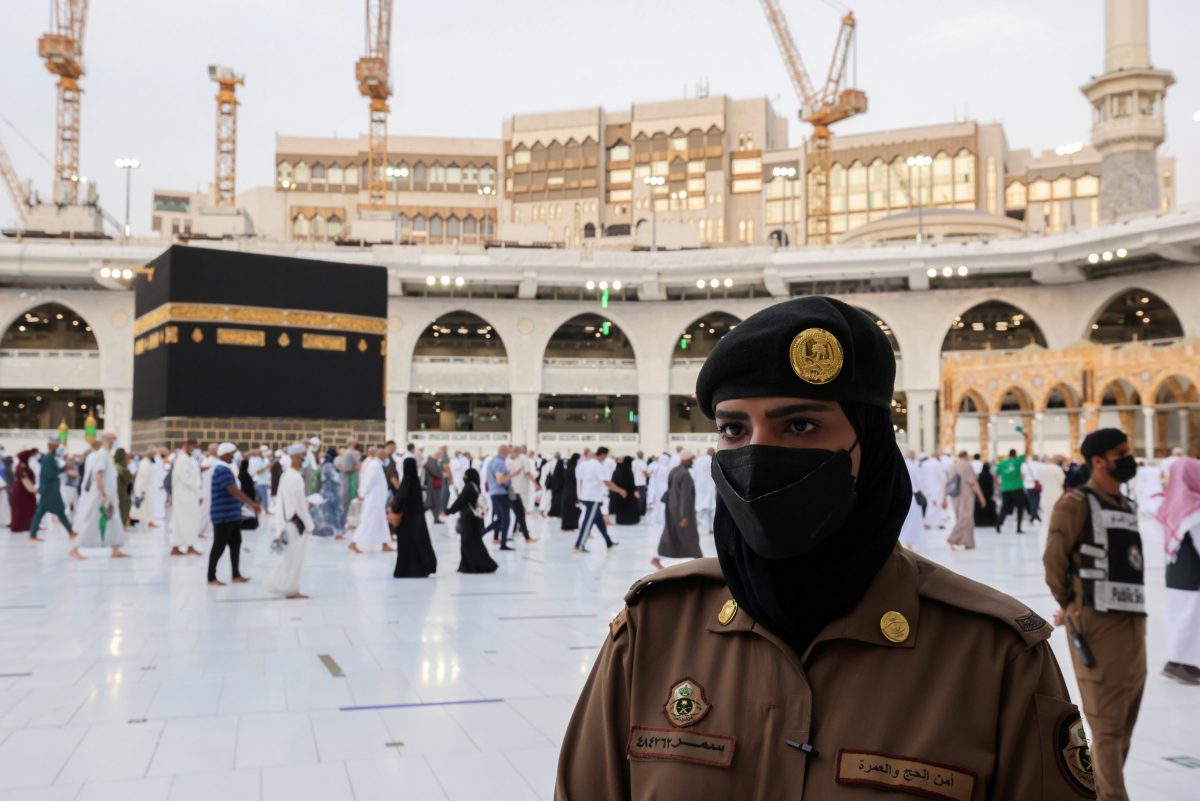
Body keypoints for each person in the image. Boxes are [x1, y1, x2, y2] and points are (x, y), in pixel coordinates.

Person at [558, 296, 1092, 799]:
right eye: (733, 429)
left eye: (801, 425)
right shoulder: (654, 632)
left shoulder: (990, 657)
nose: (758, 453)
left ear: (872, 445)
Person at [1044, 428, 1144, 801]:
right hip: (1096, 625)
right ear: (1098, 461)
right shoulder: (1075, 505)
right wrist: (1072, 606)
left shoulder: (1125, 505)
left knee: (1124, 725)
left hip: (1133, 623)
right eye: (1121, 452)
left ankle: (1102, 792)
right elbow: (1054, 562)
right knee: (1104, 727)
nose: (1128, 457)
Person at [1156, 457, 1200, 684]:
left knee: (1180, 619)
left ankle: (1180, 662)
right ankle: (1180, 664)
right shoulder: (1193, 506)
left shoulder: (1172, 501)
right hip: (1192, 576)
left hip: (1176, 574)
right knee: (1190, 620)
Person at [207, 443, 261, 586]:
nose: (233, 457)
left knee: (235, 544)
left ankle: (236, 574)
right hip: (222, 515)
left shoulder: (226, 469)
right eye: (232, 454)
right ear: (225, 454)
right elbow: (233, 491)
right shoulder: (221, 470)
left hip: (232, 514)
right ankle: (211, 577)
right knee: (219, 546)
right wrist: (252, 504)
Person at [266, 444, 315, 599]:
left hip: (288, 521)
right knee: (294, 558)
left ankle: (279, 584)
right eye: (302, 456)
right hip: (295, 522)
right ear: (295, 457)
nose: (304, 459)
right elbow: (299, 505)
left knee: (290, 557)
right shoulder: (294, 476)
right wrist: (309, 523)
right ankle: (290, 590)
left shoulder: (287, 474)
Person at [70, 432, 129, 560]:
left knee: (114, 522)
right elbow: (98, 475)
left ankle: (115, 549)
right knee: (92, 522)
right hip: (101, 497)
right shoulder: (102, 455)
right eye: (113, 440)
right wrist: (102, 493)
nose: (114, 443)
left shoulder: (107, 455)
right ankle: (75, 548)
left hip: (110, 497)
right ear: (107, 440)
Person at [651, 449, 701, 570]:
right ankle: (699, 560)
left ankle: (656, 558)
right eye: (691, 459)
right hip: (683, 510)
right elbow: (685, 496)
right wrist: (684, 515)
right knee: (691, 535)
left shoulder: (674, 471)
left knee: (670, 533)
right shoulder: (685, 474)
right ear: (686, 459)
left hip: (672, 507)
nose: (692, 461)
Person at [392, 457, 437, 577]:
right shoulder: (415, 480)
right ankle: (421, 567)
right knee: (417, 543)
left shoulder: (406, 480)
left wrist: (394, 508)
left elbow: (402, 498)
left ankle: (408, 570)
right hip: (417, 517)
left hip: (407, 519)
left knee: (407, 545)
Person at [447, 467, 497, 574]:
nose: (464, 478)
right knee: (473, 542)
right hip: (474, 519)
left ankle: (476, 565)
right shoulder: (475, 486)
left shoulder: (469, 487)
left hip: (469, 519)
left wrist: (449, 511)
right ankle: (467, 565)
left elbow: (461, 500)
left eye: (466, 475)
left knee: (468, 542)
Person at [574, 446, 623, 552]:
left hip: (587, 496)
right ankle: (579, 545)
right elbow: (606, 482)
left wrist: (580, 495)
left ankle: (608, 542)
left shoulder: (586, 464)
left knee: (599, 522)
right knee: (588, 523)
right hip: (593, 498)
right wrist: (620, 491)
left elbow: (580, 480)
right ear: (603, 455)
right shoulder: (597, 465)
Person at [27, 438, 76, 543]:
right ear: (51, 445)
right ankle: (32, 535)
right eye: (56, 445)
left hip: (50, 490)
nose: (58, 447)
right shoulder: (48, 458)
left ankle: (70, 532)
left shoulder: (49, 458)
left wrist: (63, 468)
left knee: (59, 511)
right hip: (49, 491)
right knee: (43, 512)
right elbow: (50, 475)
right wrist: (64, 468)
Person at [351, 446, 393, 553]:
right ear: (382, 455)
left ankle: (384, 544)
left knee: (381, 522)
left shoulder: (377, 465)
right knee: (367, 522)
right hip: (373, 501)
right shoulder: (374, 466)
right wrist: (362, 494)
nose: (387, 457)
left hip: (378, 501)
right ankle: (354, 543)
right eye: (386, 455)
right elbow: (368, 481)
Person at [945, 450, 986, 550]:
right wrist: (981, 497)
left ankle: (968, 542)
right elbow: (973, 482)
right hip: (966, 495)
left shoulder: (951, 466)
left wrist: (944, 498)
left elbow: (946, 483)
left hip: (955, 496)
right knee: (966, 518)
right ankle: (952, 538)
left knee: (965, 519)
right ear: (966, 456)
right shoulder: (967, 465)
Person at [170, 439, 204, 556]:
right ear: (187, 446)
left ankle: (176, 547)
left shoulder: (189, 459)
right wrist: (198, 485)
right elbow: (186, 477)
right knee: (187, 521)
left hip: (189, 495)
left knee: (183, 522)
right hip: (184, 496)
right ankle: (190, 547)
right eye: (195, 447)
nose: (197, 449)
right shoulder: (183, 459)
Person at [484, 445, 514, 549]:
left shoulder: (492, 461)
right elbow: (500, 480)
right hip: (500, 494)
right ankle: (503, 544)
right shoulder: (500, 463)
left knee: (499, 519)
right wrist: (510, 476)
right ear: (505, 452)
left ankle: (481, 533)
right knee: (506, 519)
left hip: (494, 493)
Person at [315, 448, 347, 539]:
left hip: (327, 493)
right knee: (336, 513)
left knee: (329, 513)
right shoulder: (329, 466)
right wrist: (341, 471)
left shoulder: (325, 465)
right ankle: (337, 533)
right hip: (332, 494)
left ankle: (332, 532)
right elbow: (336, 479)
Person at [995, 448, 1028, 533]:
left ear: (1009, 455)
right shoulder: (1017, 461)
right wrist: (1027, 439)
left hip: (1005, 488)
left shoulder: (1002, 463)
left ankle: (998, 524)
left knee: (1004, 508)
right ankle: (1018, 528)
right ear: (1015, 454)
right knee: (1020, 508)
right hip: (1017, 488)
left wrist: (997, 486)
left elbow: (996, 475)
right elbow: (1026, 452)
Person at [898, 449, 923, 549]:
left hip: (902, 494)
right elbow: (918, 482)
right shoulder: (914, 466)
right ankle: (909, 542)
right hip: (913, 495)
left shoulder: (901, 465)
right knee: (913, 519)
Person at [9, 449, 37, 535]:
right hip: (22, 492)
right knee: (20, 509)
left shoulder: (24, 465)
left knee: (26, 509)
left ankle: (27, 525)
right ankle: (19, 526)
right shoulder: (22, 466)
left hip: (24, 492)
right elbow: (24, 479)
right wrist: (33, 490)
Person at [129, 446, 158, 528]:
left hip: (147, 488)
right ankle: (129, 518)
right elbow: (143, 477)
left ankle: (150, 521)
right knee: (139, 506)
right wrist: (142, 489)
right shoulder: (145, 463)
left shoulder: (148, 463)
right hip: (143, 489)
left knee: (148, 507)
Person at [609, 456, 640, 525]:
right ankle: (629, 520)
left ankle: (620, 520)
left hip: (619, 493)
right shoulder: (629, 471)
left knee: (620, 507)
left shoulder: (617, 471)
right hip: (628, 493)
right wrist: (634, 490)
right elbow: (631, 483)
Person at [692, 448, 716, 534]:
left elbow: (693, 472)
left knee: (700, 505)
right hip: (709, 486)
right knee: (711, 508)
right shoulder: (712, 460)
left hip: (699, 486)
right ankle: (710, 529)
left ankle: (695, 526)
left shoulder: (698, 460)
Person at [918, 452, 945, 529]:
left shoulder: (924, 464)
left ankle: (940, 523)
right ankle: (927, 522)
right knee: (935, 505)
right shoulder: (938, 464)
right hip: (937, 488)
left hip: (926, 488)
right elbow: (942, 477)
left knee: (933, 505)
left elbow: (921, 476)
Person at [560, 454, 581, 531]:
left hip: (567, 490)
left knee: (568, 509)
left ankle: (568, 526)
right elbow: (575, 479)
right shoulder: (573, 468)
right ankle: (570, 526)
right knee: (572, 508)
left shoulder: (568, 467)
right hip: (572, 491)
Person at [113, 448, 133, 527]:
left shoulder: (117, 466)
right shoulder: (120, 468)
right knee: (122, 507)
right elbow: (128, 478)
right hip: (120, 493)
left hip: (122, 492)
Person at [1022, 454, 1044, 528]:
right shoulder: (1040, 465)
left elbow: (1023, 475)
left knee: (1031, 502)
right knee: (1035, 502)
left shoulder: (1026, 465)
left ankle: (1035, 518)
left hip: (1027, 485)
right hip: (1036, 485)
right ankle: (1034, 518)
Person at [975, 459, 997, 527]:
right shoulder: (989, 476)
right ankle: (989, 522)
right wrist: (993, 494)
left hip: (980, 495)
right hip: (988, 494)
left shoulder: (979, 475)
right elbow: (991, 486)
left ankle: (979, 522)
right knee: (989, 507)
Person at [249, 445, 272, 509]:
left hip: (262, 480)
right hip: (259, 481)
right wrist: (267, 467)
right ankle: (265, 510)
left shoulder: (262, 460)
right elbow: (258, 471)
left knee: (259, 496)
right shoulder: (256, 460)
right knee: (262, 496)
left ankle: (260, 508)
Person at [631, 451, 648, 518]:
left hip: (634, 482)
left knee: (635, 498)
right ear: (642, 455)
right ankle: (639, 512)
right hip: (641, 483)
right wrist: (648, 475)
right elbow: (644, 472)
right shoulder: (643, 463)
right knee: (641, 498)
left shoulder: (633, 462)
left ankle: (634, 511)